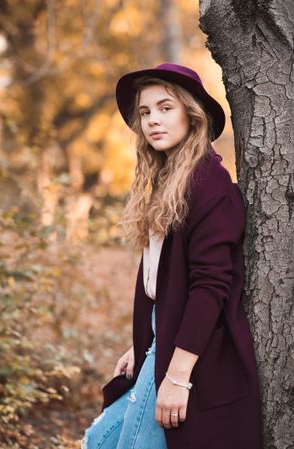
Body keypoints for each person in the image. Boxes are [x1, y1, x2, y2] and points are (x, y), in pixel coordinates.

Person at [81, 63, 263, 449]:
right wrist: (142, 344)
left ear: (191, 114)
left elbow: (210, 286)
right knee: (100, 439)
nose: (152, 121)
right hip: (161, 332)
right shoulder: (167, 180)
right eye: (145, 112)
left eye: (166, 108)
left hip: (195, 342)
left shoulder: (208, 182)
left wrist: (177, 376)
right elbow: (161, 280)